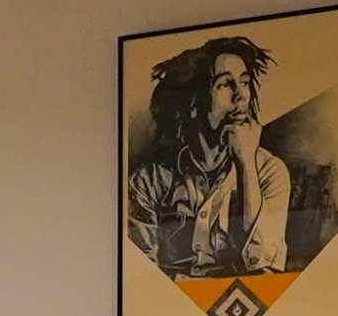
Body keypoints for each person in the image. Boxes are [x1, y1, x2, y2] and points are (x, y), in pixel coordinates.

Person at [126, 35, 294, 277]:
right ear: (193, 101)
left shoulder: (271, 172)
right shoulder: (148, 182)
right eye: (226, 85)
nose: (242, 96)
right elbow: (140, 281)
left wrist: (246, 163)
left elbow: (265, 264)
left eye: (245, 82)